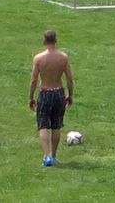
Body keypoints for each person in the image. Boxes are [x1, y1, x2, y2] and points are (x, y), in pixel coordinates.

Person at [29, 30, 74, 167]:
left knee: (43, 125)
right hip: (59, 92)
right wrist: (70, 95)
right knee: (56, 125)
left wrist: (31, 97)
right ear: (55, 41)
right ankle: (53, 156)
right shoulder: (63, 57)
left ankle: (47, 156)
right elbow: (69, 78)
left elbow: (34, 80)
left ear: (44, 41)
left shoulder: (39, 58)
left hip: (45, 92)